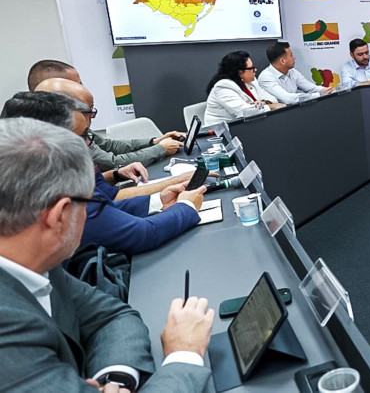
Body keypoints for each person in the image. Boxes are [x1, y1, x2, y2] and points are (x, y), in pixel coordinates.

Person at [0, 116, 214, 392]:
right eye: (90, 202)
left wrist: (115, 377)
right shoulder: (8, 337)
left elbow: (112, 317)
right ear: (60, 215)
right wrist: (184, 354)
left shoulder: (37, 264)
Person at [2, 91, 206, 256]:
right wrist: (185, 206)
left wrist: (158, 200)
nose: (88, 144)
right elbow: (142, 234)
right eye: (82, 137)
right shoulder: (59, 192)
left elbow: (105, 205)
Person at [29, 60, 186, 171]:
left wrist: (155, 141)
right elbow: (111, 163)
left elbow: (109, 146)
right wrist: (159, 149)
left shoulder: (73, 121)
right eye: (76, 85)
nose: (82, 88)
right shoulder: (52, 134)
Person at [205, 50, 284, 126]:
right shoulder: (223, 86)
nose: (255, 70)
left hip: (247, 125)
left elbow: (272, 99)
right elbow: (244, 112)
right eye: (251, 68)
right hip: (219, 132)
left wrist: (263, 102)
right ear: (240, 72)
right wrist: (270, 106)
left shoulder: (252, 81)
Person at [258, 41, 333, 104]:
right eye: (291, 55)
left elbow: (311, 88)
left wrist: (327, 91)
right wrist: (318, 94)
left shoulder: (292, 71)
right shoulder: (266, 77)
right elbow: (287, 99)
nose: (294, 58)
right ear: (282, 61)